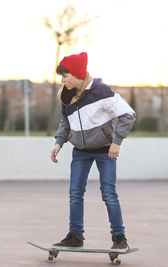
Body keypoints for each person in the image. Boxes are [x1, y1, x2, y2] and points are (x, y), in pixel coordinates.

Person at [50, 52, 136, 252]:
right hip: (80, 151)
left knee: (108, 193)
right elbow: (65, 121)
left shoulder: (101, 92)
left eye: (65, 76)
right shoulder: (67, 95)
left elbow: (128, 114)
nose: (62, 81)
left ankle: (119, 237)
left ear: (78, 74)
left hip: (105, 151)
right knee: (75, 193)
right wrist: (59, 142)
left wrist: (117, 142)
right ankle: (75, 236)